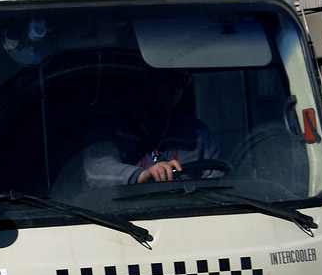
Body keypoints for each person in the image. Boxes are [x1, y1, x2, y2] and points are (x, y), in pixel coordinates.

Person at [64, 70, 220, 190]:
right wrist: (142, 175)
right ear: (146, 77)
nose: (175, 86)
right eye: (167, 77)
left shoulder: (195, 131)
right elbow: (95, 171)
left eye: (182, 80)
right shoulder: (109, 125)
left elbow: (217, 178)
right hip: (125, 218)